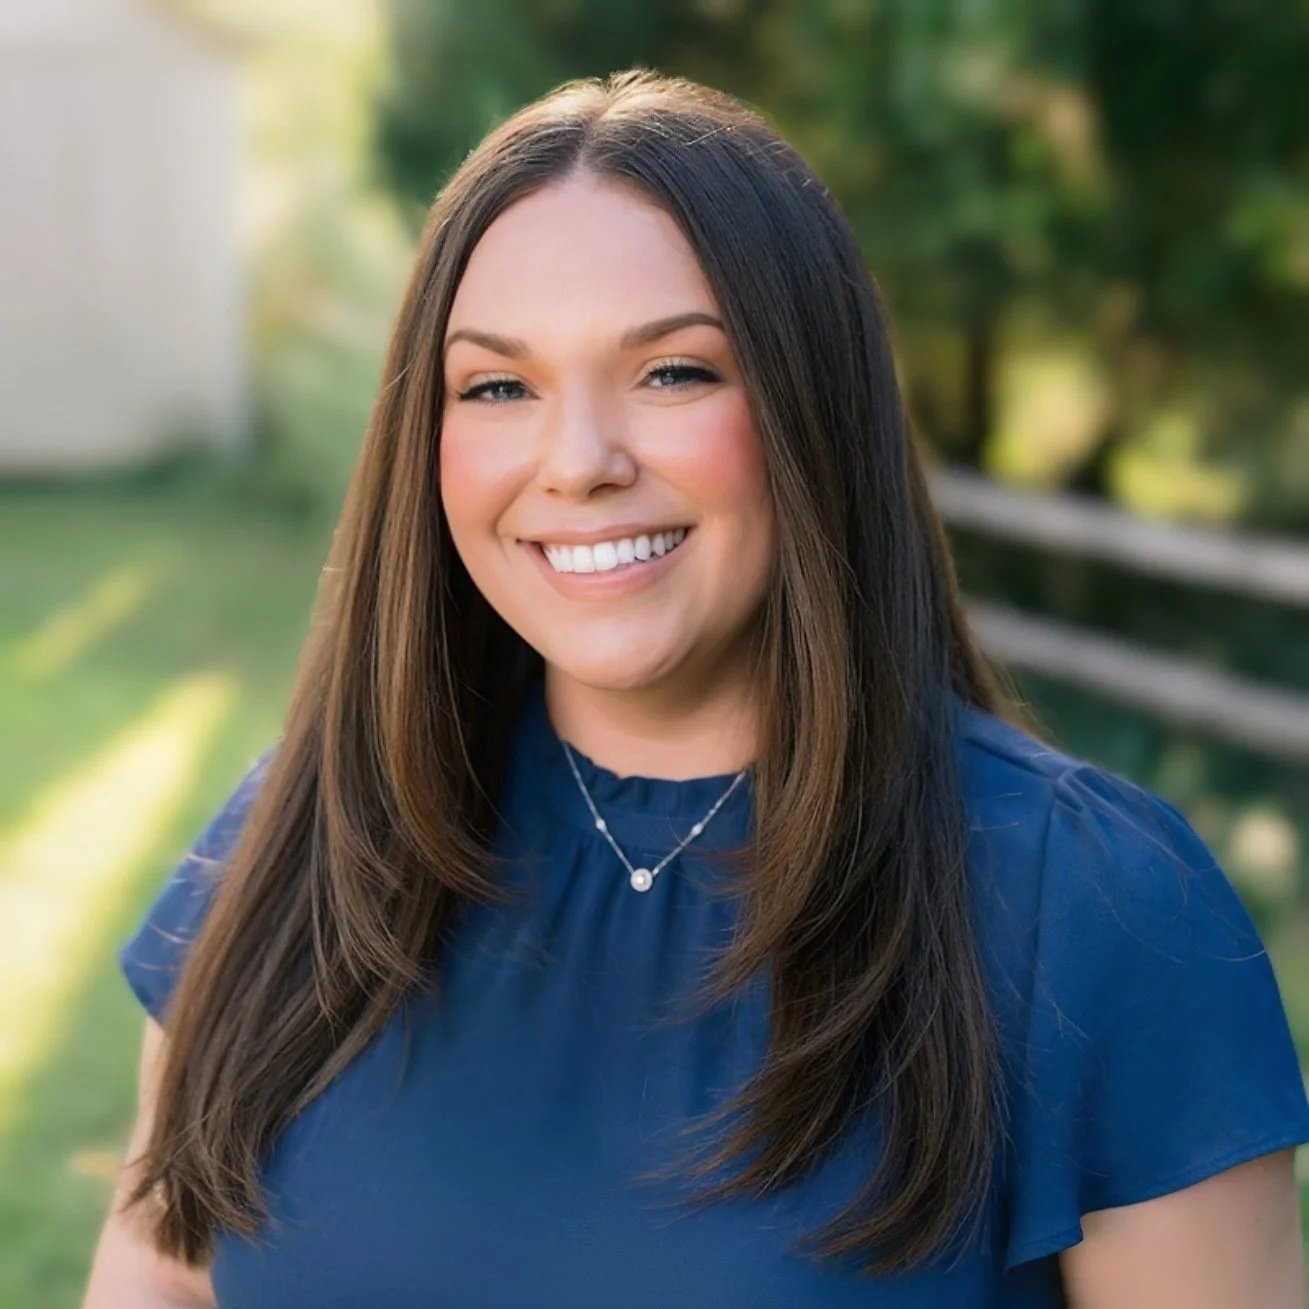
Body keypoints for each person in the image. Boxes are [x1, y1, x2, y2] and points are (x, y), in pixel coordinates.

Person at [84, 69, 1309, 1307]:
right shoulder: (301, 836)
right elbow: (161, 1270)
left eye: (673, 372)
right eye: (498, 385)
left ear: (809, 406)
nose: (577, 464)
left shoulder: (1090, 907)